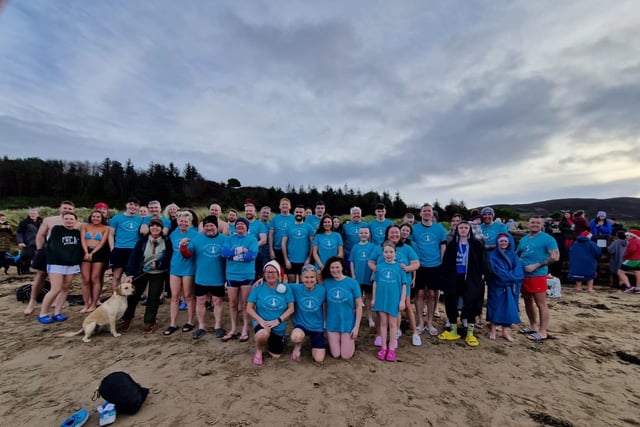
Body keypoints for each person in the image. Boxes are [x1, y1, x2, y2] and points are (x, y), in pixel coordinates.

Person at [438, 221, 489, 347]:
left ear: (469, 229)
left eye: (466, 227)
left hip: (471, 278)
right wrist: (443, 278)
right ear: (457, 229)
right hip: (454, 278)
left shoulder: (476, 244)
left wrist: (483, 275)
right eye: (461, 227)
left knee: (471, 303)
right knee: (451, 301)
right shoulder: (452, 245)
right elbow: (446, 263)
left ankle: (470, 333)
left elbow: (483, 262)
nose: (463, 230)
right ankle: (453, 330)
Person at [368, 224, 421, 346]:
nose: (394, 235)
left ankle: (413, 333)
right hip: (383, 284)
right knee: (379, 309)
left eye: (397, 232)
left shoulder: (407, 248)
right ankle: (379, 335)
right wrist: (377, 270)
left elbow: (416, 263)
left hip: (401, 284)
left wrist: (407, 268)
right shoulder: (379, 248)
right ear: (387, 234)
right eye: (391, 232)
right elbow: (370, 262)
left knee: (404, 306)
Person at [24, 201, 79, 315]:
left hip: (68, 256)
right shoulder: (50, 220)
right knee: (41, 276)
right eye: (65, 208)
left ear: (73, 211)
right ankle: (32, 300)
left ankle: (56, 305)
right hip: (48, 252)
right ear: (60, 208)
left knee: (64, 284)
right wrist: (39, 250)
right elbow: (40, 235)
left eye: (70, 208)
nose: (67, 210)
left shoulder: (77, 223)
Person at [180, 215, 228, 339]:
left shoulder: (224, 239)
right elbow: (187, 255)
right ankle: (201, 326)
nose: (209, 228)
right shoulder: (197, 239)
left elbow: (229, 256)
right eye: (206, 226)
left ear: (216, 227)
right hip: (201, 277)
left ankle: (217, 326)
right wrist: (183, 247)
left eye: (211, 225)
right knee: (200, 301)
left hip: (218, 277)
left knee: (217, 301)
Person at [122, 218, 173, 333]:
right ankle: (127, 319)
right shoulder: (142, 241)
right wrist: (129, 274)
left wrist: (160, 264)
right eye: (152, 226)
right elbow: (134, 257)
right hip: (142, 271)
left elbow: (169, 257)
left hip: (158, 273)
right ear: (149, 228)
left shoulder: (167, 241)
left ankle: (149, 321)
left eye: (158, 226)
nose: (155, 228)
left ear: (161, 228)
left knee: (153, 297)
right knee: (133, 296)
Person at [516, 216, 560, 342]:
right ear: (528, 224)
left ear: (542, 225)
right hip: (523, 275)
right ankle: (533, 326)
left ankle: (543, 331)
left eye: (538, 223)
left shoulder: (547, 239)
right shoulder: (524, 239)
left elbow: (555, 256)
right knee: (527, 302)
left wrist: (536, 265)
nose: (534, 224)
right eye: (532, 222)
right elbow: (517, 254)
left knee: (541, 303)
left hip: (538, 275)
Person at [37, 212, 83, 324]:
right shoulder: (57, 229)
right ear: (63, 220)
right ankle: (43, 313)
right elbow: (55, 246)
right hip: (57, 263)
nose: (69, 221)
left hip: (71, 264)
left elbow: (79, 248)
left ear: (75, 221)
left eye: (71, 219)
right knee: (55, 289)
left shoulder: (77, 233)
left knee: (66, 288)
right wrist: (67, 258)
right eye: (66, 219)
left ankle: (57, 312)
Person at [246, 260, 295, 366]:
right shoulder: (258, 287)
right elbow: (249, 308)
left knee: (276, 355)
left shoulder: (285, 288)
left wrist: (278, 320)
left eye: (273, 272)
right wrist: (261, 321)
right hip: (262, 322)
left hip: (278, 324)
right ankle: (259, 350)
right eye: (267, 272)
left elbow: (291, 308)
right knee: (262, 334)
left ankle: (275, 339)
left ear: (278, 274)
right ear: (263, 274)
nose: (270, 274)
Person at [411, 203, 447, 337]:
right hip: (419, 265)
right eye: (424, 211)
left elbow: (443, 246)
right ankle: (420, 322)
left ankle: (430, 323)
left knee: (432, 294)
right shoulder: (414, 229)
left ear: (432, 214)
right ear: (420, 214)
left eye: (429, 211)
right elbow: (410, 246)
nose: (427, 213)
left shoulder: (439, 229)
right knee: (419, 294)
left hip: (435, 265)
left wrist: (442, 263)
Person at [222, 216, 259, 342]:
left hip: (247, 275)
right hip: (232, 274)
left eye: (243, 224)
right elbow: (225, 253)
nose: (240, 226)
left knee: (245, 304)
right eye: (238, 224)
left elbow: (251, 256)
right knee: (232, 303)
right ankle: (233, 328)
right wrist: (241, 250)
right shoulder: (229, 238)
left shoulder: (252, 239)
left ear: (247, 227)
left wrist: (233, 255)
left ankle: (245, 328)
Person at [164, 211, 198, 335]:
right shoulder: (173, 234)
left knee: (188, 295)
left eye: (185, 221)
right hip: (175, 267)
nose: (183, 223)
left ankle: (190, 321)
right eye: (181, 221)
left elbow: (193, 252)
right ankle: (173, 323)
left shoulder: (194, 234)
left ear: (190, 223)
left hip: (188, 267)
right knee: (175, 296)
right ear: (177, 222)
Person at [371, 241, 406, 361]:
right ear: (382, 253)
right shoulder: (379, 267)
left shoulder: (400, 267)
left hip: (393, 300)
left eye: (391, 252)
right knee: (383, 323)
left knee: (393, 324)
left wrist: (402, 301)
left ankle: (392, 348)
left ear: (395, 253)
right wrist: (374, 298)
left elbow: (404, 285)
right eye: (386, 252)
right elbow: (375, 283)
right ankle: (383, 347)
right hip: (381, 298)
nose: (388, 254)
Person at [322, 256, 362, 360]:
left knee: (345, 356)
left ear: (342, 268)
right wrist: (325, 321)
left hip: (347, 322)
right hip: (332, 322)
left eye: (337, 267)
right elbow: (324, 304)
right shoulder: (326, 283)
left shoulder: (353, 283)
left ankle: (349, 343)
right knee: (335, 354)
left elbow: (359, 305)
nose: (335, 270)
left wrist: (356, 327)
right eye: (332, 268)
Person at [486, 233, 524, 342]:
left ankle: (505, 331)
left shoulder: (513, 255)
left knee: (509, 307)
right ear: (497, 243)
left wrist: (510, 278)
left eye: (505, 241)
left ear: (509, 242)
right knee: (495, 305)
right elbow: (495, 269)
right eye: (501, 241)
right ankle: (493, 329)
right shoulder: (492, 255)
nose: (503, 243)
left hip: (510, 286)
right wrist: (508, 277)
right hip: (496, 284)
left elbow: (518, 271)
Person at [289, 265, 327, 363]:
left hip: (317, 326)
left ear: (316, 278)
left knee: (319, 359)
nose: (309, 280)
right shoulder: (295, 288)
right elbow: (277, 285)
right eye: (306, 277)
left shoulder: (322, 290)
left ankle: (314, 343)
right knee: (296, 337)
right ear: (301, 278)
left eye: (312, 277)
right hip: (301, 324)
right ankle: (298, 346)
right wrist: (261, 280)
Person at [108, 197, 143, 289]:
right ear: (126, 205)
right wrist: (112, 248)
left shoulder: (140, 219)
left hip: (134, 250)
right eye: (131, 204)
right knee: (117, 276)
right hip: (119, 249)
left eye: (135, 205)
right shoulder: (116, 218)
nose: (133, 207)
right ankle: (115, 297)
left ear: (138, 207)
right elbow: (111, 234)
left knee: (133, 276)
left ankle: (131, 298)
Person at [79, 210, 110, 312]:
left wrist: (92, 253)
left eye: (98, 217)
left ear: (102, 218)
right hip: (85, 251)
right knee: (85, 279)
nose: (96, 218)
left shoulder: (105, 228)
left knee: (95, 278)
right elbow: (83, 239)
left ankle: (94, 303)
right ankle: (86, 304)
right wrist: (86, 252)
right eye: (94, 216)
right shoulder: (84, 226)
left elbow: (102, 242)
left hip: (99, 253)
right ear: (90, 217)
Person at [349, 226, 376, 327]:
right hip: (357, 278)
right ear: (358, 234)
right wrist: (353, 275)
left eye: (366, 233)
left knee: (368, 297)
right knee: (357, 298)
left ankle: (370, 317)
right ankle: (356, 319)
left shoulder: (373, 247)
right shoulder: (355, 247)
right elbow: (351, 262)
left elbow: (375, 262)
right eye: (362, 233)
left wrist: (373, 274)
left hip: (368, 277)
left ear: (369, 234)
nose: (364, 235)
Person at [281, 205, 315, 283]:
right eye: (297, 212)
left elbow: (312, 243)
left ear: (304, 214)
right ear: (294, 213)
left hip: (304, 261)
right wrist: (286, 260)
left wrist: (309, 259)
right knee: (291, 283)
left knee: (302, 284)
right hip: (291, 260)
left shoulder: (309, 227)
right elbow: (283, 244)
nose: (298, 214)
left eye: (301, 212)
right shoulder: (288, 227)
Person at [244, 201, 267, 280]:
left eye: (250, 211)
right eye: (247, 211)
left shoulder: (259, 224)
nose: (248, 212)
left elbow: (263, 240)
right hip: (242, 255)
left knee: (256, 277)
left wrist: (250, 247)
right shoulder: (240, 223)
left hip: (255, 255)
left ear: (255, 212)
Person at [269, 198, 295, 267]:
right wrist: (271, 249)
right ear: (279, 206)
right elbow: (271, 235)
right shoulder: (275, 219)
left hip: (290, 250)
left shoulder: (294, 218)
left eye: (286, 204)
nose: (285, 206)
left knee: (290, 272)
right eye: (283, 204)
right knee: (278, 271)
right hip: (277, 249)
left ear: (290, 206)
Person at [16, 208, 41, 274]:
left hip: (38, 242)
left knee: (36, 256)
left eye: (34, 213)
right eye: (31, 213)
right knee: (26, 256)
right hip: (27, 242)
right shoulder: (24, 222)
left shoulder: (40, 222)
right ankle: (25, 270)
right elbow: (19, 232)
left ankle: (35, 269)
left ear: (38, 214)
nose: (32, 215)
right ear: (29, 214)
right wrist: (20, 242)